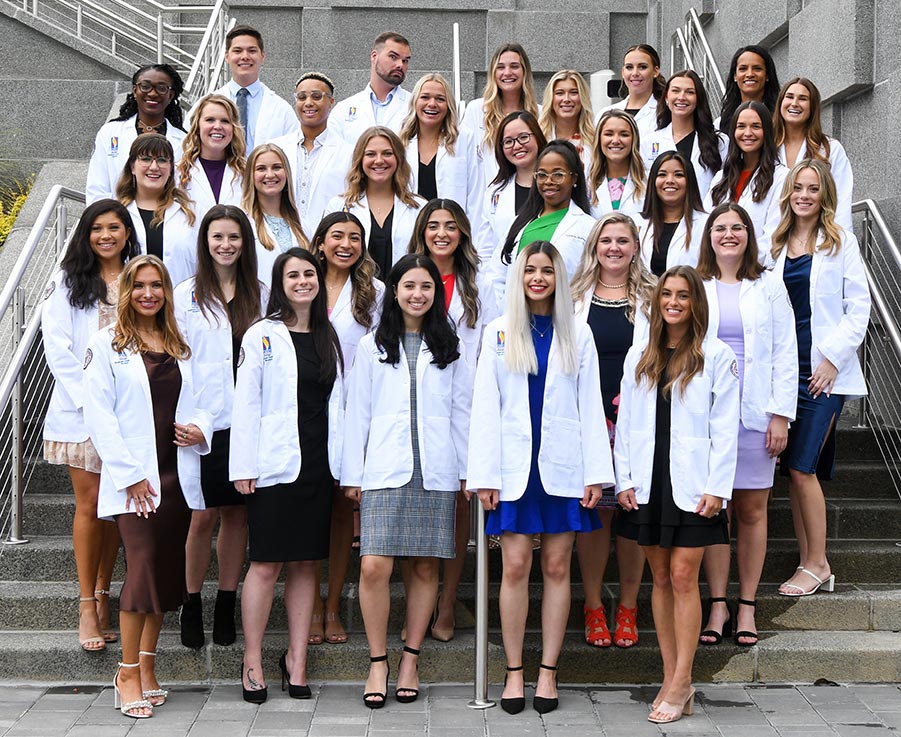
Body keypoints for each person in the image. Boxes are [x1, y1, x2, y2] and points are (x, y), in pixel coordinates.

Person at [469, 241, 613, 715]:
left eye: (546, 271)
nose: (538, 278)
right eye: (529, 270)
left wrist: (596, 472)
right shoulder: (498, 332)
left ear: (558, 277)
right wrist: (484, 474)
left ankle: (548, 672)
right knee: (514, 566)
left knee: (556, 568)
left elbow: (589, 405)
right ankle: (514, 672)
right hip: (513, 468)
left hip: (562, 466)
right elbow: (486, 409)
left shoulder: (579, 334)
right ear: (519, 276)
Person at [83, 254, 212, 719]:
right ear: (126, 291)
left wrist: (200, 429)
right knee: (139, 571)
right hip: (135, 480)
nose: (149, 294)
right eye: (139, 285)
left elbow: (203, 404)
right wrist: (129, 472)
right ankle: (126, 673)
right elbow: (98, 416)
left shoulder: (179, 344)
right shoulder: (107, 343)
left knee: (162, 574)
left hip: (175, 478)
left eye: (157, 285)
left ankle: (149, 667)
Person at [342, 254, 471, 708]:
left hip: (435, 468)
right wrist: (352, 473)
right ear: (394, 291)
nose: (418, 294)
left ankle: (411, 658)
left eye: (427, 287)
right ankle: (378, 660)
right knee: (374, 565)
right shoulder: (372, 345)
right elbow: (356, 411)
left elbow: (462, 412)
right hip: (384, 467)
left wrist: (466, 472)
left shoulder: (450, 345)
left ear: (437, 294)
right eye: (409, 286)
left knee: (424, 566)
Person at [614, 265, 739, 725]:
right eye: (666, 294)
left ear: (695, 303)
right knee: (660, 577)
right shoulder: (639, 356)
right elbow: (626, 424)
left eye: (682, 296)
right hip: (648, 482)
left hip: (693, 484)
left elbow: (725, 430)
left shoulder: (716, 355)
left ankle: (684, 679)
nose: (672, 302)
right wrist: (623, 478)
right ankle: (673, 679)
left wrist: (716, 489)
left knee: (685, 575)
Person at [230, 248, 345, 703]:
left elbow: (339, 402)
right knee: (265, 564)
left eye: (309, 274)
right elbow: (247, 404)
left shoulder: (327, 335)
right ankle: (253, 659)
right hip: (272, 468)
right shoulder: (262, 335)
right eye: (293, 275)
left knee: (305, 564)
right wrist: (243, 466)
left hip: (318, 465)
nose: (303, 281)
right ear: (280, 283)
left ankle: (297, 660)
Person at [695, 203, 798, 647]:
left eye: (737, 227)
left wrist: (780, 415)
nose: (729, 234)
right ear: (709, 236)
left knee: (753, 511)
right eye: (720, 228)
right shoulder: (696, 285)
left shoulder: (769, 287)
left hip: (756, 415)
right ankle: (718, 603)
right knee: (715, 512)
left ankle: (748, 605)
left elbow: (785, 351)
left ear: (749, 235)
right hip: (707, 417)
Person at [770, 159, 870, 597]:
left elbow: (859, 308)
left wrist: (831, 359)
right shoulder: (773, 245)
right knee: (793, 470)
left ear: (824, 194)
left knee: (802, 466)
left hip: (823, 375)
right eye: (798, 188)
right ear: (789, 193)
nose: (805, 195)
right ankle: (809, 560)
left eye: (813, 188)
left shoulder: (840, 242)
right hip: (784, 372)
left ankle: (818, 562)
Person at [42, 199, 138, 652]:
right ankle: (85, 604)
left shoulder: (139, 275)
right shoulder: (67, 281)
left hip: (128, 411)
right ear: (85, 233)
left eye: (114, 228)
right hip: (79, 412)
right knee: (90, 503)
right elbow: (57, 346)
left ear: (126, 232)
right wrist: (90, 400)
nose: (106, 236)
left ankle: (103, 594)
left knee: (117, 507)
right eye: (97, 228)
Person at [174, 205, 265, 649]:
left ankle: (226, 603)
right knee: (201, 516)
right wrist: (189, 421)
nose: (225, 245)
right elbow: (178, 360)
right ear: (205, 243)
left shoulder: (262, 296)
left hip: (246, 424)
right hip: (200, 424)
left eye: (234, 237)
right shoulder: (186, 294)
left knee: (238, 516)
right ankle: (191, 603)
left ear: (245, 243)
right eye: (217, 237)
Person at [408, 199, 496, 641]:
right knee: (423, 502)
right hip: (417, 402)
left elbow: (492, 346)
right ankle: (419, 607)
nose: (441, 233)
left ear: (462, 232)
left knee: (461, 504)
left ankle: (446, 604)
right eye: (433, 226)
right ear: (422, 230)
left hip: (465, 403)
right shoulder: (405, 278)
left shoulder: (480, 286)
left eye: (450, 226)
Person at [570, 213, 655, 649]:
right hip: (589, 415)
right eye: (607, 240)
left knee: (633, 512)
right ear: (595, 246)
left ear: (636, 246)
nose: (615, 248)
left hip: (637, 417)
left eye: (623, 240)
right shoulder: (574, 295)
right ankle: (592, 605)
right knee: (597, 513)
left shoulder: (654, 296)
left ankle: (627, 606)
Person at [308, 211, 384, 646]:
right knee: (307, 513)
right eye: (337, 236)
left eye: (355, 238)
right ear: (321, 242)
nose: (346, 244)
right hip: (306, 411)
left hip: (353, 412)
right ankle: (310, 601)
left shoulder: (376, 293)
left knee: (341, 513)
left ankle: (332, 604)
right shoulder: (299, 280)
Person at [488, 140, 596, 311]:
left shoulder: (588, 227)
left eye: (558, 174)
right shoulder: (519, 223)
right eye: (542, 175)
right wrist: (503, 313)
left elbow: (589, 281)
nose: (548, 181)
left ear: (574, 178)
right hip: (515, 319)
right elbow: (497, 275)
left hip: (564, 319)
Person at [323, 126, 424, 280]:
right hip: (354, 298)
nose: (379, 160)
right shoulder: (339, 206)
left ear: (398, 158)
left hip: (405, 299)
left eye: (387, 153)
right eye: (370, 154)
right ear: (360, 160)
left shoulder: (419, 207)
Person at [86, 64, 187, 204]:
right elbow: (97, 188)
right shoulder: (110, 133)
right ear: (135, 90)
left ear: (171, 95)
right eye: (145, 86)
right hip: (117, 217)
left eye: (161, 88)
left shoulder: (184, 141)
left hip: (165, 218)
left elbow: (185, 191)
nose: (152, 93)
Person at [270, 73, 353, 236]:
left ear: (331, 102)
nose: (308, 103)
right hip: (281, 240)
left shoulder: (348, 153)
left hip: (326, 242)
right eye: (301, 97)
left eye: (317, 96)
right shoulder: (277, 148)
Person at [706, 101, 787, 260]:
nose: (748, 133)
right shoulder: (720, 178)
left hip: (756, 270)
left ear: (767, 132)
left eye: (756, 126)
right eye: (741, 126)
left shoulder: (782, 177)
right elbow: (705, 225)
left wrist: (742, 263)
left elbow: (774, 234)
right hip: (717, 269)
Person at [116, 134, 197, 286]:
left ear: (171, 168)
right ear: (132, 167)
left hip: (179, 305)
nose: (154, 167)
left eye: (162, 160)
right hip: (129, 305)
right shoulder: (117, 214)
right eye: (146, 159)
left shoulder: (189, 214)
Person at [774, 77, 854, 231]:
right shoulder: (767, 148)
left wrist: (839, 243)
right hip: (772, 241)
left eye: (803, 99)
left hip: (816, 240)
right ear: (780, 104)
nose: (794, 103)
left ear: (812, 107)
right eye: (789, 97)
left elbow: (841, 201)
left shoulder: (830, 149)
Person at [200, 25, 298, 151]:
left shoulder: (282, 110)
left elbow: (293, 154)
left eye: (252, 51)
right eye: (237, 51)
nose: (245, 56)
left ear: (262, 56)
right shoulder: (204, 105)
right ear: (226, 56)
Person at [400, 74, 482, 220]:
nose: (432, 104)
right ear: (414, 102)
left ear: (448, 105)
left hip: (452, 231)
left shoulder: (464, 139)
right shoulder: (400, 141)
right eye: (425, 97)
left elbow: (476, 195)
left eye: (440, 99)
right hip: (410, 232)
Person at [460, 43, 540, 184]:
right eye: (500, 67)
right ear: (493, 73)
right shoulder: (476, 110)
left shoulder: (540, 113)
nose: (507, 72)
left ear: (524, 71)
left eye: (514, 66)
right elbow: (464, 159)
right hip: (485, 199)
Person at [643, 70, 725, 197]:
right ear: (666, 97)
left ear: (698, 99)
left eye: (690, 92)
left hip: (706, 215)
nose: (681, 97)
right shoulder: (649, 142)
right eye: (675, 91)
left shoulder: (719, 142)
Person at [479, 111, 547, 261]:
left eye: (523, 137)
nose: (517, 146)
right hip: (505, 278)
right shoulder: (494, 193)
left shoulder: (555, 186)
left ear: (538, 137)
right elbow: (486, 249)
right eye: (508, 141)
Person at [241, 143, 309, 286]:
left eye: (277, 167)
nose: (270, 174)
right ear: (251, 176)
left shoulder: (303, 225)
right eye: (261, 169)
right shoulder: (242, 222)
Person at [330, 32, 412, 147]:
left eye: (405, 61)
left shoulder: (415, 107)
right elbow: (333, 158)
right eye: (393, 57)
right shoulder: (343, 110)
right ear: (374, 56)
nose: (400, 65)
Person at [637, 150, 707, 276]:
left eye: (679, 175)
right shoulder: (638, 223)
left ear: (690, 181)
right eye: (662, 175)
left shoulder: (705, 224)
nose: (669, 180)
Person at [177, 94, 246, 219]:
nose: (218, 126)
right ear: (197, 126)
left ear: (233, 128)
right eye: (210, 120)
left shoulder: (247, 173)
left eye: (225, 121)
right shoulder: (177, 172)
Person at [598, 44, 665, 141]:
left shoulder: (666, 113)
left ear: (655, 71)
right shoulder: (604, 114)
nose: (635, 73)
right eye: (629, 67)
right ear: (622, 72)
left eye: (642, 67)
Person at [588, 110, 646, 219]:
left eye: (624, 134)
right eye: (609, 134)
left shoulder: (648, 182)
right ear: (599, 139)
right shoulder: (587, 183)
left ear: (634, 140)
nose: (615, 140)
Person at [538, 70, 595, 173]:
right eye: (560, 93)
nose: (566, 99)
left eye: (574, 92)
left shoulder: (595, 140)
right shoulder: (538, 139)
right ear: (551, 98)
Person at [717, 45, 780, 134]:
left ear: (767, 75)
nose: (750, 74)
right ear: (735, 76)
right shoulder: (720, 124)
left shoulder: (780, 119)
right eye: (743, 69)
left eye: (757, 69)